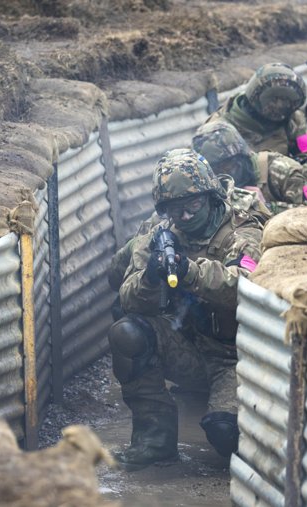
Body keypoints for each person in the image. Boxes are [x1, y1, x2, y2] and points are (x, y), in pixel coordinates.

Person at [108, 148, 263, 470]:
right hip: (188, 349)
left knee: (225, 435)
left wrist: (190, 271)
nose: (186, 217)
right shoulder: (159, 233)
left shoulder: (242, 229)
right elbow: (126, 298)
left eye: (192, 205)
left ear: (211, 197)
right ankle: (154, 441)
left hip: (235, 358)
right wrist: (151, 276)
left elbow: (245, 288)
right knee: (128, 332)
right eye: (176, 210)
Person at [192, 120, 307, 213]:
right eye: (215, 170)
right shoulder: (214, 183)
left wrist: (267, 207)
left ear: (241, 157)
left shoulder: (281, 170)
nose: (224, 174)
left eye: (227, 167)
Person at [207, 62, 307, 163]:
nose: (280, 105)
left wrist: (294, 174)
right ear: (255, 97)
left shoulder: (293, 118)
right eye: (274, 99)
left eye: (286, 101)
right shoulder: (217, 132)